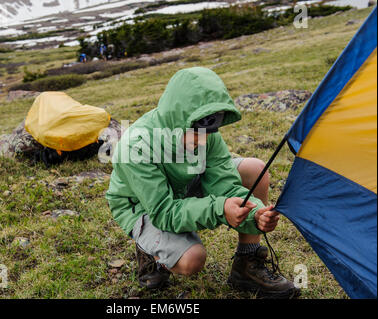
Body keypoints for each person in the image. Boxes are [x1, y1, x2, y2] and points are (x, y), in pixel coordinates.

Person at [105, 67, 299, 298]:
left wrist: (254, 213)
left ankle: (247, 264)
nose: (204, 140)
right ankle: (149, 251)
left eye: (210, 131)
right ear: (178, 119)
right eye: (197, 133)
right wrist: (220, 209)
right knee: (192, 260)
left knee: (255, 170)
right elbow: (164, 211)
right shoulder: (135, 145)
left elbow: (225, 184)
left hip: (185, 185)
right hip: (145, 205)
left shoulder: (205, 132)